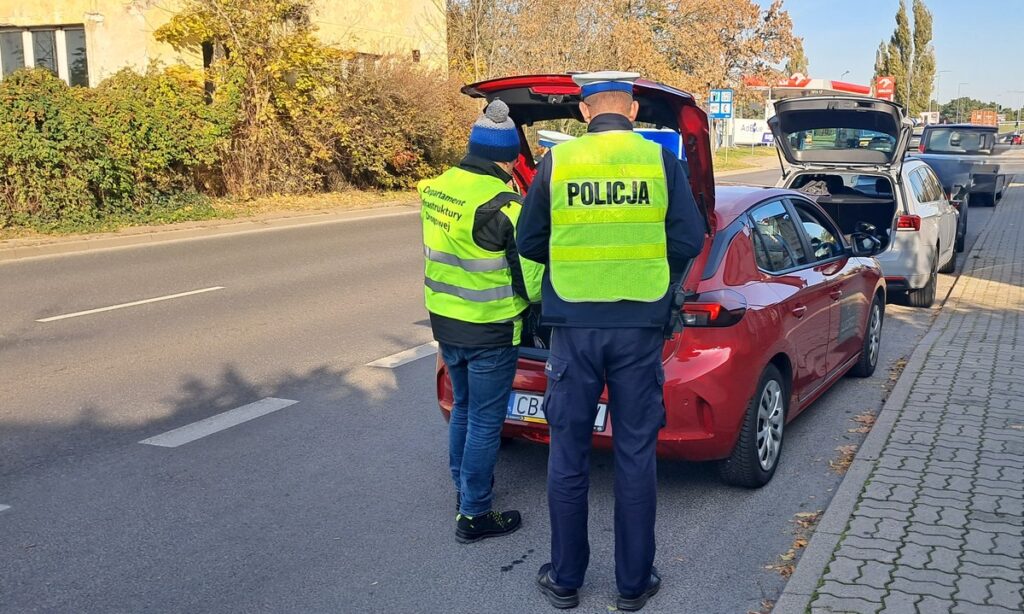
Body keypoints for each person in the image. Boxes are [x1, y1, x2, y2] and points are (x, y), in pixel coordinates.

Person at [517, 71, 705, 610]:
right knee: (635, 453)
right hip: (640, 328)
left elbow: (530, 242)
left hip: (573, 328)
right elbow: (690, 239)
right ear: (633, 110)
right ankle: (632, 585)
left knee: (569, 453)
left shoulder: (559, 163)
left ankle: (566, 579)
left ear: (583, 113)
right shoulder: (659, 162)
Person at [419, 100, 543, 544]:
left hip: (445, 322)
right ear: (509, 159)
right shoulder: (505, 206)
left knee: (465, 412)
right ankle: (473, 514)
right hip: (491, 329)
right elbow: (531, 284)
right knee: (486, 421)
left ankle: (464, 492)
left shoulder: (436, 189)